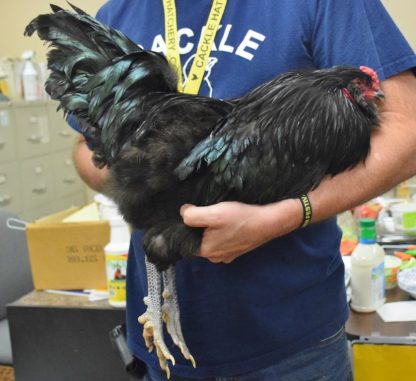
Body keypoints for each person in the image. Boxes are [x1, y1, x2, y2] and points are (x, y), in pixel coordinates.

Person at [72, 1, 416, 380]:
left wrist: (285, 214)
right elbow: (84, 150)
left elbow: (407, 131)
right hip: (162, 343)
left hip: (292, 346)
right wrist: (154, 182)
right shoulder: (117, 13)